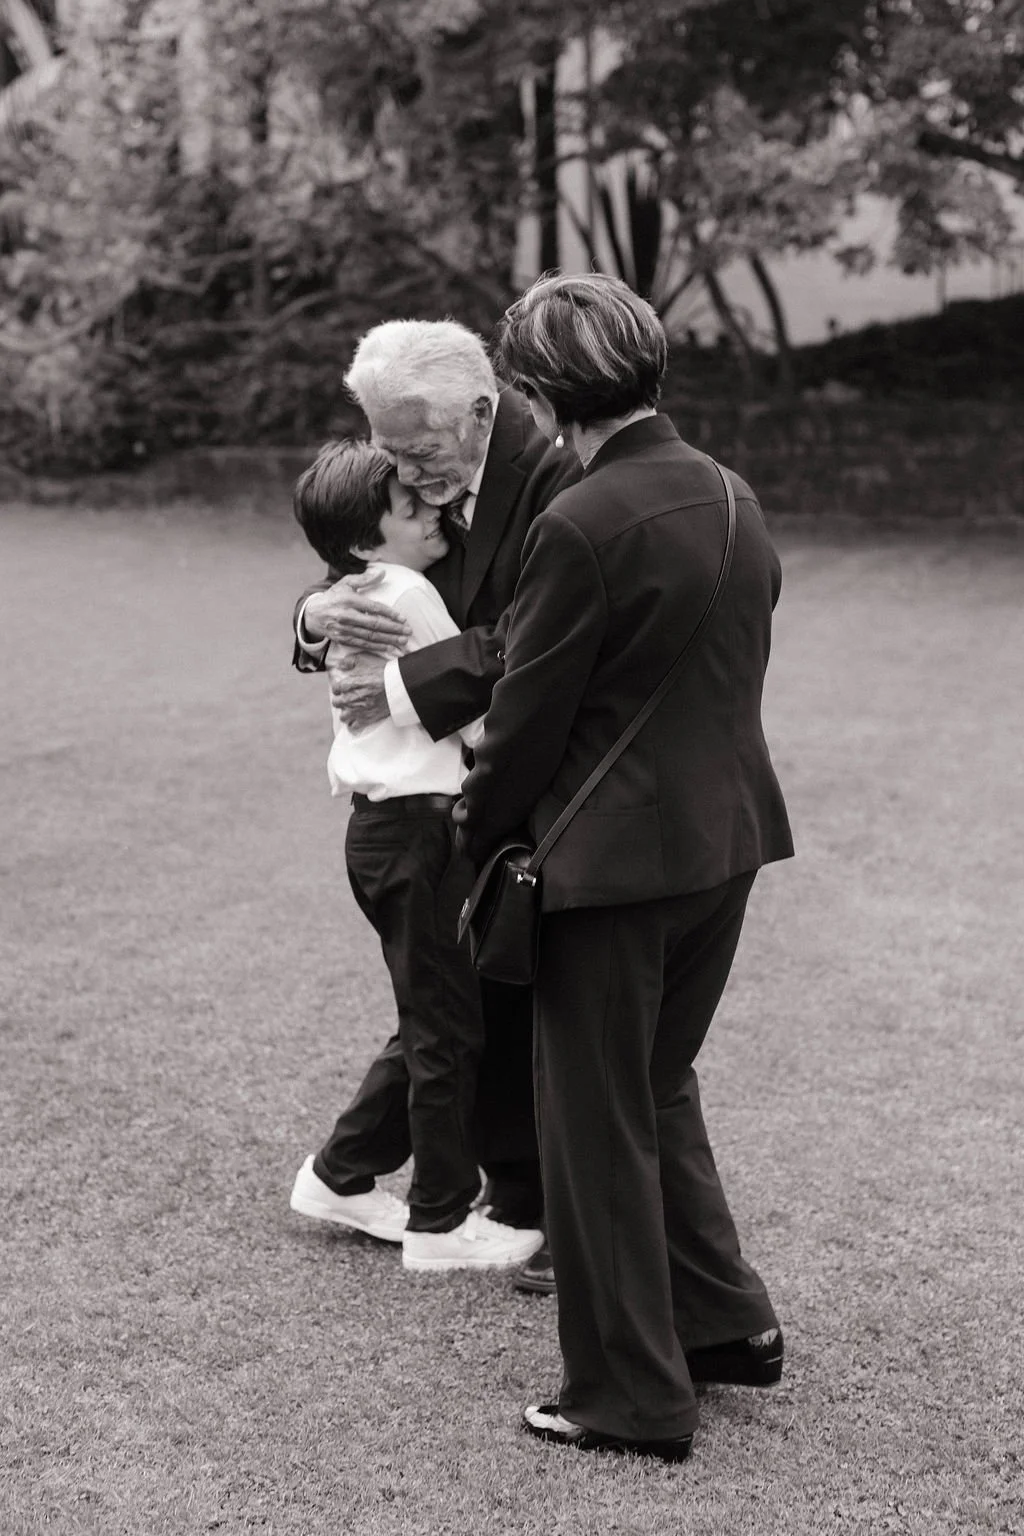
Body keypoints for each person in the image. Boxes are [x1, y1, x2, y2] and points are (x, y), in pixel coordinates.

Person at [454, 273, 795, 1459]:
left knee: (593, 1121)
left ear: (544, 396)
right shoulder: (732, 492)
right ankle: (724, 1327)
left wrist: (472, 831)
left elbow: (525, 721)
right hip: (725, 841)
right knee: (656, 1087)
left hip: (608, 869)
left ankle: (629, 1398)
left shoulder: (576, 522)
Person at [291, 319, 581, 1287]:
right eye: (392, 454)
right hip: (426, 806)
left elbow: (539, 628)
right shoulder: (408, 489)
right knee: (452, 1010)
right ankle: (464, 1204)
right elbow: (376, 572)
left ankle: (485, 1193)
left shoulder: (553, 475)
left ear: (481, 412)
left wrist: (410, 688)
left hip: (522, 775)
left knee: (477, 1006)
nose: (410, 475)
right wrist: (315, 608)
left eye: (417, 451)